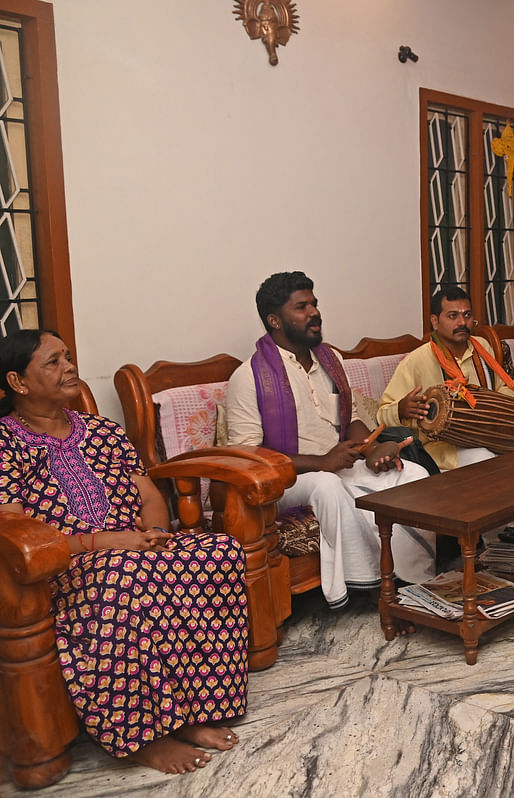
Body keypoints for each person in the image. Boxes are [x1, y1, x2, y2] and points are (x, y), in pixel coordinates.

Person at [0, 329, 247, 775]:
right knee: (125, 573)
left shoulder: (102, 431)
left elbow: (147, 492)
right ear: (18, 383)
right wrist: (107, 542)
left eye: (68, 357)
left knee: (218, 551)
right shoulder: (5, 443)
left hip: (131, 547)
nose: (69, 367)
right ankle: (142, 738)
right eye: (53, 362)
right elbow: (13, 533)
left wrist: (152, 532)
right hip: (62, 565)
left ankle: (192, 711)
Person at [224, 271, 436, 608]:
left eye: (314, 304)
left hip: (338, 465)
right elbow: (250, 457)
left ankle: (416, 581)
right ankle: (366, 591)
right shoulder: (248, 378)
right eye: (301, 307)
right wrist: (322, 463)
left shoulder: (329, 361)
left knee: (413, 475)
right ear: (275, 320)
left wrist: (373, 448)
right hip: (288, 479)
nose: (314, 313)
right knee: (326, 485)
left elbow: (348, 419)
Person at [376, 286, 514, 523]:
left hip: (493, 433)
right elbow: (382, 413)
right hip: (444, 448)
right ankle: (506, 541)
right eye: (453, 316)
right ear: (434, 321)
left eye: (467, 315)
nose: (462, 322)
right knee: (485, 460)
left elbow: (502, 390)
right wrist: (400, 409)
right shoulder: (417, 361)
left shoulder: (482, 348)